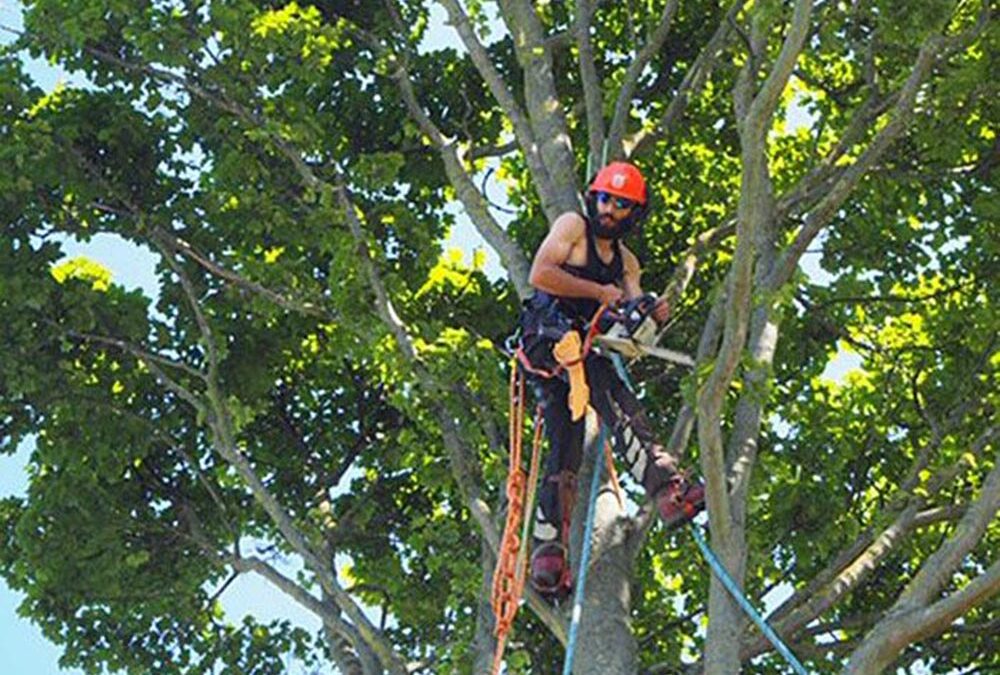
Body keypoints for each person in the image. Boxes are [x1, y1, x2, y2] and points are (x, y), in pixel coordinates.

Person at [517, 161, 705, 600]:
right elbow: (541, 273)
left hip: (587, 353)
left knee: (586, 428)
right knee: (597, 387)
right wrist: (600, 295)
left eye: (622, 204)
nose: (610, 209)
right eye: (606, 199)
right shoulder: (572, 227)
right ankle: (662, 489)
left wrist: (651, 313)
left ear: (633, 214)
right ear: (593, 197)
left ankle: (552, 552)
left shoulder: (627, 263)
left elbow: (634, 312)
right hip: (549, 341)